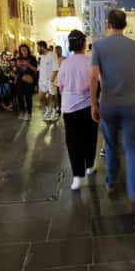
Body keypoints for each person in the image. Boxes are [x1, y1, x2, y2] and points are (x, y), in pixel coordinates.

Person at [90, 9, 135, 209]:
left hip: (109, 103)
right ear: (125, 25)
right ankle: (133, 193)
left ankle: (112, 183)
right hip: (132, 104)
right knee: (132, 149)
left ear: (109, 24)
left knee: (111, 145)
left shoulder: (98, 46)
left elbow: (93, 78)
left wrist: (93, 104)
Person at [59, 30, 98, 191]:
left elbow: (60, 86)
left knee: (73, 141)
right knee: (90, 137)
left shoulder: (65, 63)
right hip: (88, 105)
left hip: (69, 107)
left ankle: (76, 176)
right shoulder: (90, 62)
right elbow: (97, 83)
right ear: (83, 44)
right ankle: (89, 166)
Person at [37, 41, 58, 121]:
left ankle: (54, 111)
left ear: (42, 47)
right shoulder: (42, 56)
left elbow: (56, 69)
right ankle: (48, 109)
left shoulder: (52, 55)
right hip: (42, 81)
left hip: (50, 81)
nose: (37, 49)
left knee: (53, 98)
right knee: (41, 97)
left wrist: (51, 80)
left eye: (38, 47)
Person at [16, 44, 37, 121]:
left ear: (28, 50)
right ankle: (22, 112)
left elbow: (35, 69)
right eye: (22, 50)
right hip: (20, 79)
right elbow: (17, 69)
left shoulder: (32, 58)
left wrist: (28, 64)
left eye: (25, 49)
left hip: (29, 79)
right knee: (20, 96)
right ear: (20, 51)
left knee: (28, 97)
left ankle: (29, 113)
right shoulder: (18, 58)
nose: (24, 51)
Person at [55, 45, 66, 115]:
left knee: (63, 94)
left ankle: (64, 107)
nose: (58, 51)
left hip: (64, 79)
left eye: (60, 50)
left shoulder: (64, 59)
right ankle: (59, 107)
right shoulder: (54, 59)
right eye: (57, 50)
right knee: (58, 95)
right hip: (56, 80)